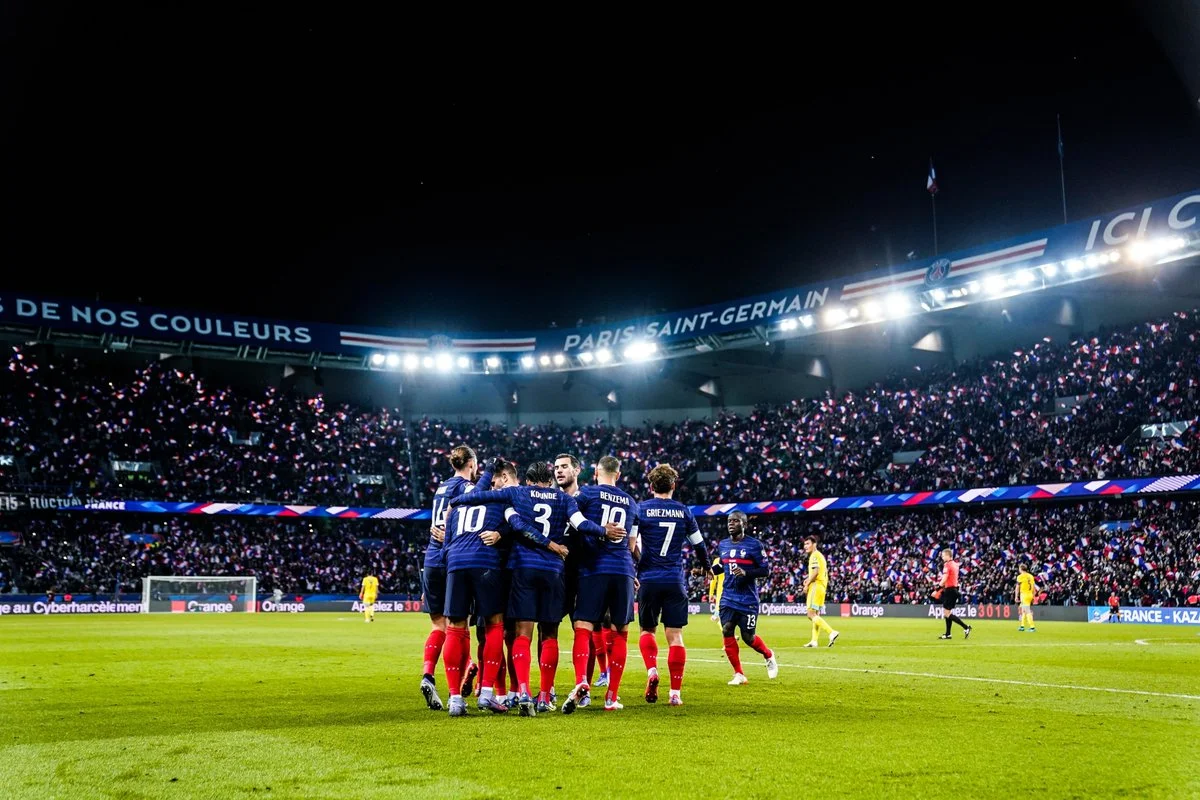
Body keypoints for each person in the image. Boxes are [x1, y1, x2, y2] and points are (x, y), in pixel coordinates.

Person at [449, 460, 621, 716]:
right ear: (549, 479)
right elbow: (581, 523)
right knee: (549, 634)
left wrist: (457, 502)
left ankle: (524, 693)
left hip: (523, 569)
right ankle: (544, 695)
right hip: (554, 571)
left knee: (522, 634)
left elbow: (483, 501)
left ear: (528, 480)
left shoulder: (517, 492)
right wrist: (603, 531)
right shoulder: (564, 499)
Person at [419, 446, 498, 712]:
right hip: (452, 555)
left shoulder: (441, 487)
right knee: (458, 626)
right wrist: (489, 473)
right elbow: (474, 496)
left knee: (440, 625)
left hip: (431, 557)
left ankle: (429, 673)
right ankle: (461, 680)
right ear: (472, 464)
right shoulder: (465, 486)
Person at [440, 460, 520, 716]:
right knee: (494, 624)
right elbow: (517, 524)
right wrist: (501, 533)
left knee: (455, 627)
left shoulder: (460, 503)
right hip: (485, 562)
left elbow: (447, 540)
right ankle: (487, 693)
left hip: (456, 562)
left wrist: (448, 559)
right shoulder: (500, 501)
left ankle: (454, 699)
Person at [561, 455, 638, 715]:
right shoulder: (631, 502)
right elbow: (631, 543)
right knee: (620, 633)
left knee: (583, 627)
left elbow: (574, 521)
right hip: (623, 570)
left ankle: (582, 679)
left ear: (596, 472)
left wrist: (598, 531)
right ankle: (611, 697)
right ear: (619, 474)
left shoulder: (587, 496)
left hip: (593, 569)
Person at [634, 464, 711, 707]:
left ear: (651, 486)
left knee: (647, 630)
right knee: (675, 635)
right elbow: (699, 545)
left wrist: (639, 562)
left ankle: (652, 672)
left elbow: (632, 542)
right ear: (674, 485)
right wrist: (707, 566)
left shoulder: (641, 509)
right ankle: (675, 693)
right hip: (675, 580)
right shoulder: (684, 512)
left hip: (649, 578)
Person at [717, 512, 778, 684]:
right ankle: (739, 674)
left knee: (748, 637)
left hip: (748, 599)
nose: (731, 524)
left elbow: (765, 570)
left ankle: (768, 654)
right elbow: (723, 566)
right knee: (727, 629)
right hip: (728, 596)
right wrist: (704, 571)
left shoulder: (754, 545)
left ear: (744, 524)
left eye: (735, 521)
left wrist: (746, 573)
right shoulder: (723, 545)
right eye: (729, 521)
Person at [801, 533, 839, 647]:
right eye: (804, 544)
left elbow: (816, 571)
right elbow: (818, 572)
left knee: (810, 614)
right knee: (816, 614)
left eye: (807, 544)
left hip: (816, 586)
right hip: (822, 587)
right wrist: (808, 579)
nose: (805, 546)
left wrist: (807, 583)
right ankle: (814, 640)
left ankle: (831, 632)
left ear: (814, 544)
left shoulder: (814, 555)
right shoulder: (820, 555)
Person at [935, 549, 972, 640]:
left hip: (950, 590)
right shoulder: (956, 564)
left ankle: (966, 627)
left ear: (948, 556)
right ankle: (948, 634)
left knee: (947, 613)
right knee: (947, 612)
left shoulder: (947, 565)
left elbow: (944, 578)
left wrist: (937, 589)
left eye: (943, 556)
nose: (942, 557)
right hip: (954, 589)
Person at [1015, 564, 1037, 632]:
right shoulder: (1030, 576)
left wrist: (1016, 596)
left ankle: (1032, 627)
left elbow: (1017, 587)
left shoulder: (1020, 577)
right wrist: (1033, 596)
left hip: (1024, 595)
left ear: (1021, 569)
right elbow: (1033, 587)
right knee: (1023, 611)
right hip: (1029, 594)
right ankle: (1022, 626)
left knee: (1027, 611)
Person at [708, 554, 724, 622]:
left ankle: (716, 614)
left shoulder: (717, 561)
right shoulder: (735, 559)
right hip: (735, 589)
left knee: (718, 615)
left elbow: (713, 579)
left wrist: (711, 593)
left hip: (722, 590)